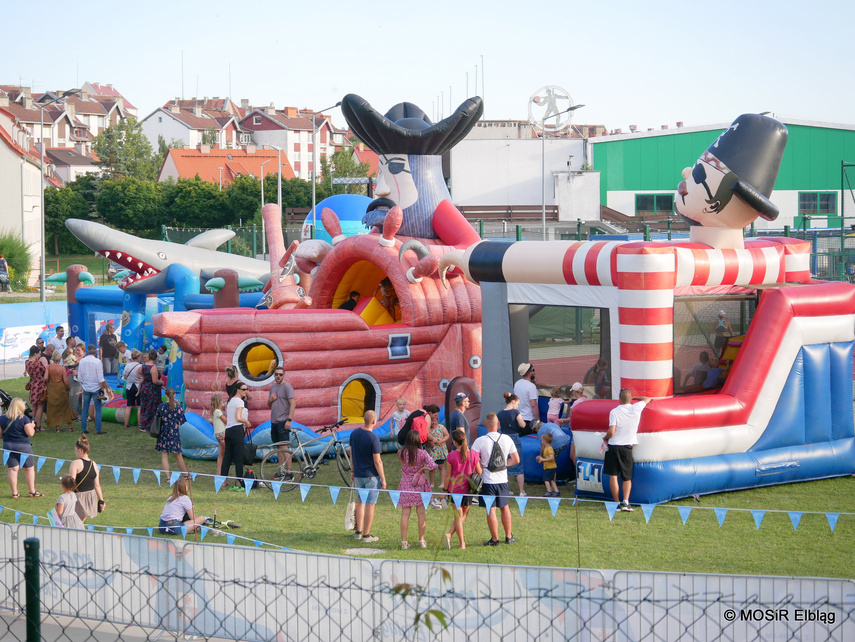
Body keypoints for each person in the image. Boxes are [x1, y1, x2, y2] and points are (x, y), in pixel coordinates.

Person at [472, 412, 520, 546]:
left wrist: (480, 470)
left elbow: (473, 459)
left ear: (485, 425)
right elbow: (516, 459)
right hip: (502, 479)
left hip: (487, 481)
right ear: (498, 424)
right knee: (505, 507)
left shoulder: (480, 441)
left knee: (491, 509)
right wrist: (504, 465)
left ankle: (494, 539)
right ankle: (509, 536)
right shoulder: (507, 439)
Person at [603, 388, 651, 512]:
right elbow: (648, 399)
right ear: (630, 399)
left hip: (613, 446)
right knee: (627, 477)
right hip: (626, 448)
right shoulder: (636, 408)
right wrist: (635, 397)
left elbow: (611, 432)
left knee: (613, 475)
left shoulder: (614, 411)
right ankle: (626, 501)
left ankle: (616, 503)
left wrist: (605, 437)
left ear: (619, 399)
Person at [350, 410, 386, 543]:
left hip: (358, 475)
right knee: (370, 505)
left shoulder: (354, 433)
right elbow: (377, 461)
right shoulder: (374, 438)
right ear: (374, 421)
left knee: (361, 502)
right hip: (371, 476)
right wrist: (383, 478)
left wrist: (353, 471)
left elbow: (351, 454)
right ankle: (366, 535)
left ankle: (358, 532)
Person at [397, 429, 437, 549]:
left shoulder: (400, 453)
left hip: (405, 485)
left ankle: (404, 542)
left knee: (405, 514)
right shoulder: (422, 453)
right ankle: (422, 540)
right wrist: (422, 469)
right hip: (419, 486)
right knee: (421, 513)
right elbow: (432, 465)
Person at [444, 429, 482, 549]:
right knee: (462, 516)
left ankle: (458, 541)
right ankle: (452, 537)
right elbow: (479, 472)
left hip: (454, 490)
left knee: (458, 517)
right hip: (468, 490)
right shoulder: (474, 454)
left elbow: (448, 476)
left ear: (454, 442)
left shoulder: (451, 456)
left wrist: (444, 491)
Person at [1, 398, 42, 498]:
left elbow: (0, 435)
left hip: (8, 446)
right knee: (29, 469)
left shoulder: (2, 418)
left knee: (12, 469)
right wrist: (32, 426)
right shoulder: (24, 419)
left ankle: (15, 493)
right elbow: (30, 433)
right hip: (23, 446)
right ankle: (32, 491)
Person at [496, 392, 528, 497]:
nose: (517, 406)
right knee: (519, 463)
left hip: (504, 438)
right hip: (514, 437)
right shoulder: (515, 412)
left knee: (505, 463)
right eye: (517, 404)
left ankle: (506, 489)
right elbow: (522, 425)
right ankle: (522, 491)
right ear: (513, 402)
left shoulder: (499, 413)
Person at [267, 366, 296, 479]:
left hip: (283, 421)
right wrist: (271, 400)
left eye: (280, 374)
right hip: (274, 421)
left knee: (284, 446)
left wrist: (289, 419)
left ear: (284, 375)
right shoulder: (273, 387)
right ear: (274, 375)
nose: (278, 376)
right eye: (276, 374)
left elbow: (293, 403)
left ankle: (290, 472)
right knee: (278, 446)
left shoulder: (287, 386)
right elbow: (269, 405)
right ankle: (281, 471)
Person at [221, 383, 252, 489]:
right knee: (238, 456)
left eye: (246, 389)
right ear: (238, 390)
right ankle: (239, 480)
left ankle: (223, 480)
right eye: (243, 389)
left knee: (227, 456)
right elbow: (238, 417)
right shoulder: (240, 401)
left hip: (228, 429)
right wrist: (246, 421)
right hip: (237, 429)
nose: (245, 391)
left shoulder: (230, 401)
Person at [77, 344, 112, 435]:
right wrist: (102, 389)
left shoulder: (82, 361)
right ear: (95, 352)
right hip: (96, 388)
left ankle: (84, 428)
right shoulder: (97, 362)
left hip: (86, 387)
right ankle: (98, 429)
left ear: (87, 351)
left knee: (85, 409)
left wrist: (83, 385)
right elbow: (100, 377)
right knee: (98, 409)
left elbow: (79, 377)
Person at [68, 435, 105, 521]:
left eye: (75, 450)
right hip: (90, 498)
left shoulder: (75, 463)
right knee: (80, 522)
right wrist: (101, 500)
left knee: (71, 523)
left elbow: (71, 482)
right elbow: (97, 485)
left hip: (78, 498)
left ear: (80, 450)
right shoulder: (94, 464)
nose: (75, 453)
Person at [154, 388, 189, 476]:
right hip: (174, 434)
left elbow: (156, 418)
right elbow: (182, 422)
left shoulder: (161, 407)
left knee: (165, 454)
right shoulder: (178, 407)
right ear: (174, 395)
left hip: (163, 433)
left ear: (165, 395)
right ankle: (185, 475)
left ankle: (168, 477)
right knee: (178, 455)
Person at [43, 351, 75, 432]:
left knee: (54, 408)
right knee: (65, 407)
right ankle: (70, 426)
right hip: (61, 388)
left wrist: (50, 381)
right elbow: (66, 381)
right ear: (59, 358)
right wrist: (68, 388)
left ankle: (58, 428)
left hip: (51, 388)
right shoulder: (62, 368)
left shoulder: (49, 367)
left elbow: (45, 378)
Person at [425, 411, 449, 508]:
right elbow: (426, 439)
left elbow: (447, 435)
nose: (434, 423)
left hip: (440, 450)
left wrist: (441, 441)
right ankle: (432, 483)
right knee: (432, 467)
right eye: (432, 421)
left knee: (441, 466)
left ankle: (443, 482)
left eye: (435, 421)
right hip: (432, 451)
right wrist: (430, 443)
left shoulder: (441, 428)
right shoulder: (428, 430)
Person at [138, 350, 164, 433]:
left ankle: (143, 425)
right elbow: (155, 381)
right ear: (156, 358)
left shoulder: (143, 366)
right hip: (152, 389)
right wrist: (162, 382)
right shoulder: (154, 367)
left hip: (144, 388)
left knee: (144, 406)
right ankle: (149, 425)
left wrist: (144, 377)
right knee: (152, 407)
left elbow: (138, 372)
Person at [25, 345, 48, 431]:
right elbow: (44, 371)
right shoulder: (38, 363)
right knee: (40, 406)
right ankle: (38, 426)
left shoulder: (27, 362)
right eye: (39, 354)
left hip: (33, 384)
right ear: (35, 354)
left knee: (33, 406)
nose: (39, 355)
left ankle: (32, 425)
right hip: (40, 385)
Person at [513, 363, 540, 431]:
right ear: (530, 373)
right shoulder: (531, 386)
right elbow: (533, 405)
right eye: (532, 370)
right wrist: (538, 420)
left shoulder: (517, 383)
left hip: (518, 418)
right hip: (528, 420)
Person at [122, 350, 143, 429]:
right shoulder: (140, 366)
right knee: (139, 406)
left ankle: (126, 423)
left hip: (129, 386)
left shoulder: (127, 366)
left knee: (129, 406)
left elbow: (124, 377)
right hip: (138, 387)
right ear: (138, 357)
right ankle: (139, 424)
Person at [537, 432, 558, 497]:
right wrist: (543, 461)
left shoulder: (549, 448)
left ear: (545, 441)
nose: (541, 441)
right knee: (551, 480)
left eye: (542, 440)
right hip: (549, 466)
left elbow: (551, 458)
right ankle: (557, 491)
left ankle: (549, 491)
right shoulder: (546, 448)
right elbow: (547, 458)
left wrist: (543, 459)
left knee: (546, 479)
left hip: (550, 467)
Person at [211, 394, 226, 477]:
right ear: (219, 402)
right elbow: (225, 420)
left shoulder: (214, 412)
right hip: (222, 433)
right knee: (226, 452)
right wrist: (227, 411)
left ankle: (218, 472)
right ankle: (223, 471)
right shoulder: (218, 412)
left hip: (217, 434)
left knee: (220, 453)